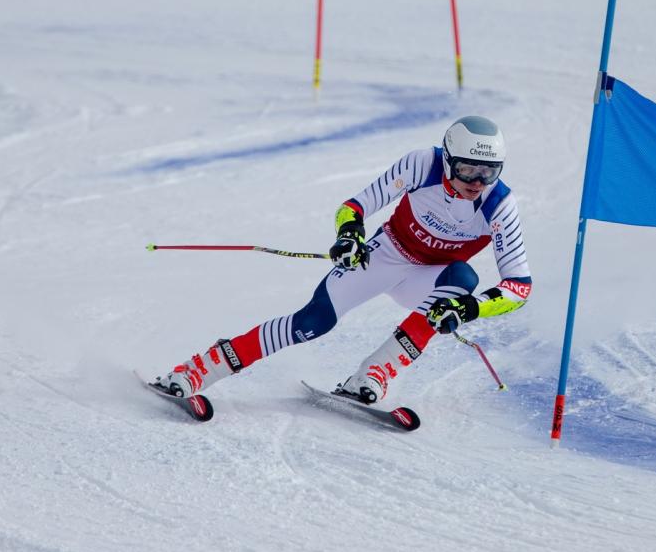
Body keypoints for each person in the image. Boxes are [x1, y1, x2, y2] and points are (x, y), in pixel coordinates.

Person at [152, 115, 532, 405]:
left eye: (489, 172)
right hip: (383, 256)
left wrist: (470, 309)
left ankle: (373, 375)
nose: (477, 182)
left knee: (461, 278)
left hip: (429, 278)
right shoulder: (422, 165)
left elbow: (519, 287)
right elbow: (354, 207)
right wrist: (350, 236)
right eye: (468, 168)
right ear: (449, 160)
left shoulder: (500, 204)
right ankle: (202, 368)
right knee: (312, 323)